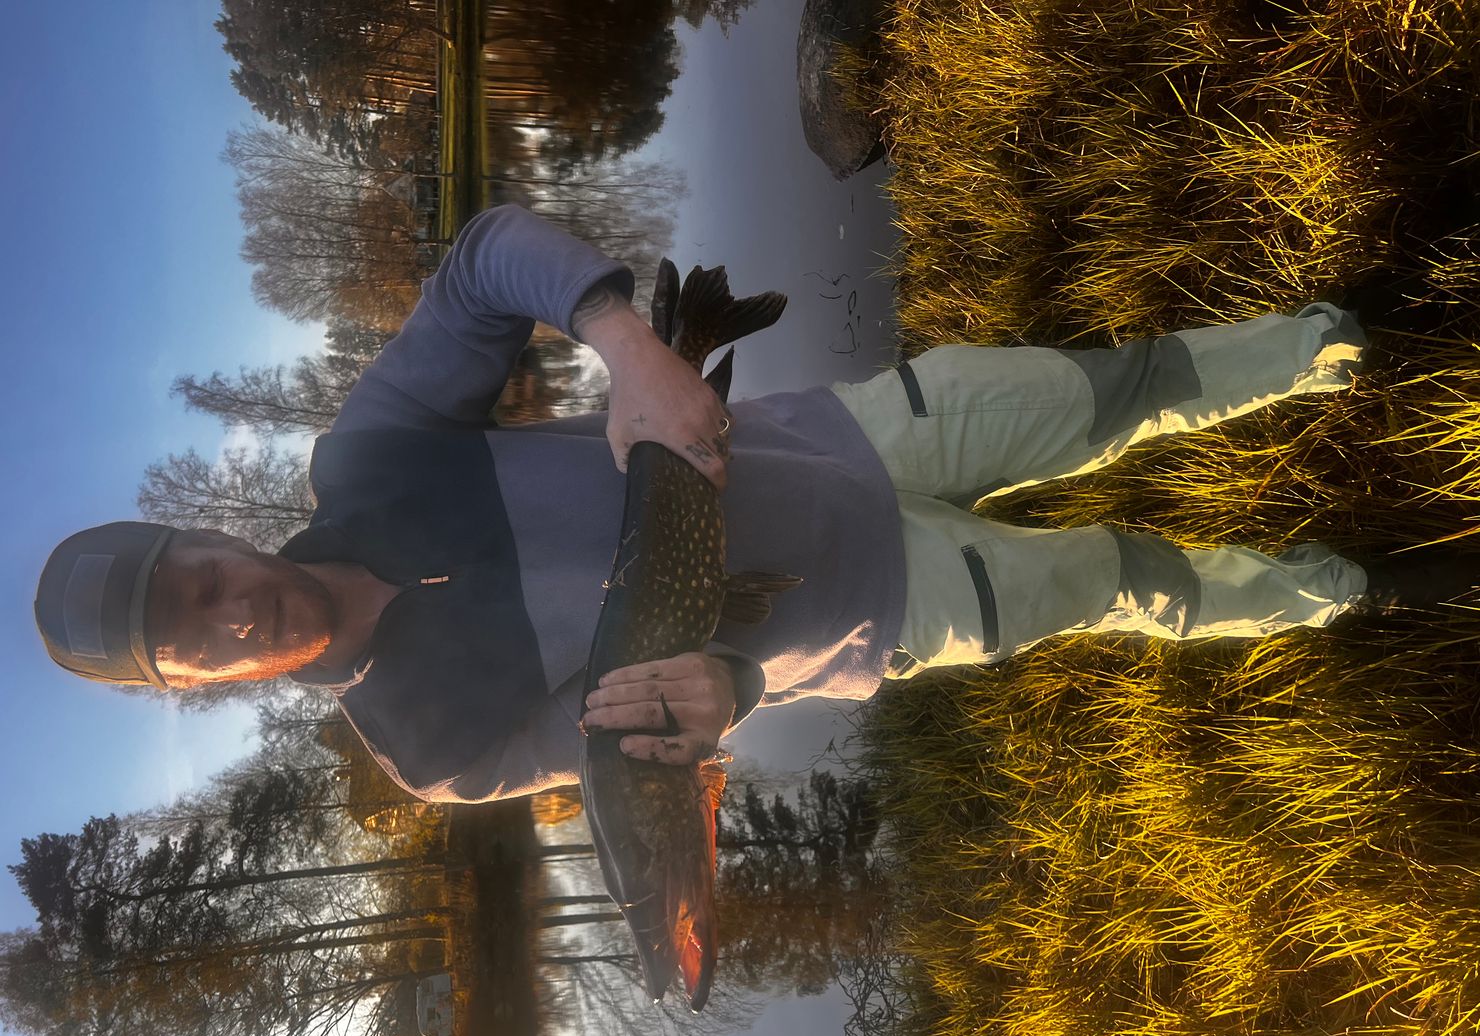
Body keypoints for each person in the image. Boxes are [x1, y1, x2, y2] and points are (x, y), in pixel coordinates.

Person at [32, 205, 1475, 803]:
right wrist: (725, 688)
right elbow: (646, 741)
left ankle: (1356, 339)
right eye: (192, 638)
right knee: (1129, 581)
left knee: (1121, 387)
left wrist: (628, 345)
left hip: (855, 432)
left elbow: (484, 262)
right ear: (196, 684)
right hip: (879, 615)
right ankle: (1360, 585)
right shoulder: (432, 749)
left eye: (196, 575)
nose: (229, 610)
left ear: (206, 535)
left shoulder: (367, 460)